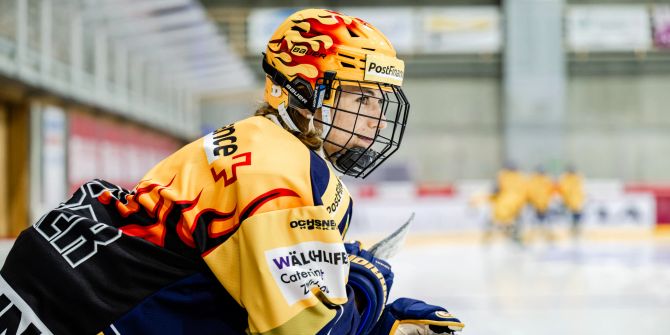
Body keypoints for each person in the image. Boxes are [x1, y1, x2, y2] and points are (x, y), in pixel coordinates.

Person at [0, 8, 464, 335]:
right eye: (361, 98)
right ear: (302, 91)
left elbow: (238, 292)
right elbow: (302, 332)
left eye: (380, 102)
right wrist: (368, 281)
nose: (373, 120)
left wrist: (377, 323)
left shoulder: (252, 142)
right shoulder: (279, 169)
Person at [526, 165, 556, 240]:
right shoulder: (537, 180)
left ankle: (545, 237)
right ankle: (537, 237)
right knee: (540, 222)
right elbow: (529, 192)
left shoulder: (539, 180)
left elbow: (551, 191)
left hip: (542, 204)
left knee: (543, 222)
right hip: (538, 204)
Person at [557, 164, 585, 236]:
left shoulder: (575, 178)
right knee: (572, 217)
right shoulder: (567, 178)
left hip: (574, 202)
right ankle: (572, 231)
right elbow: (564, 190)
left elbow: (579, 190)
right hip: (570, 202)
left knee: (576, 217)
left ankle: (575, 231)